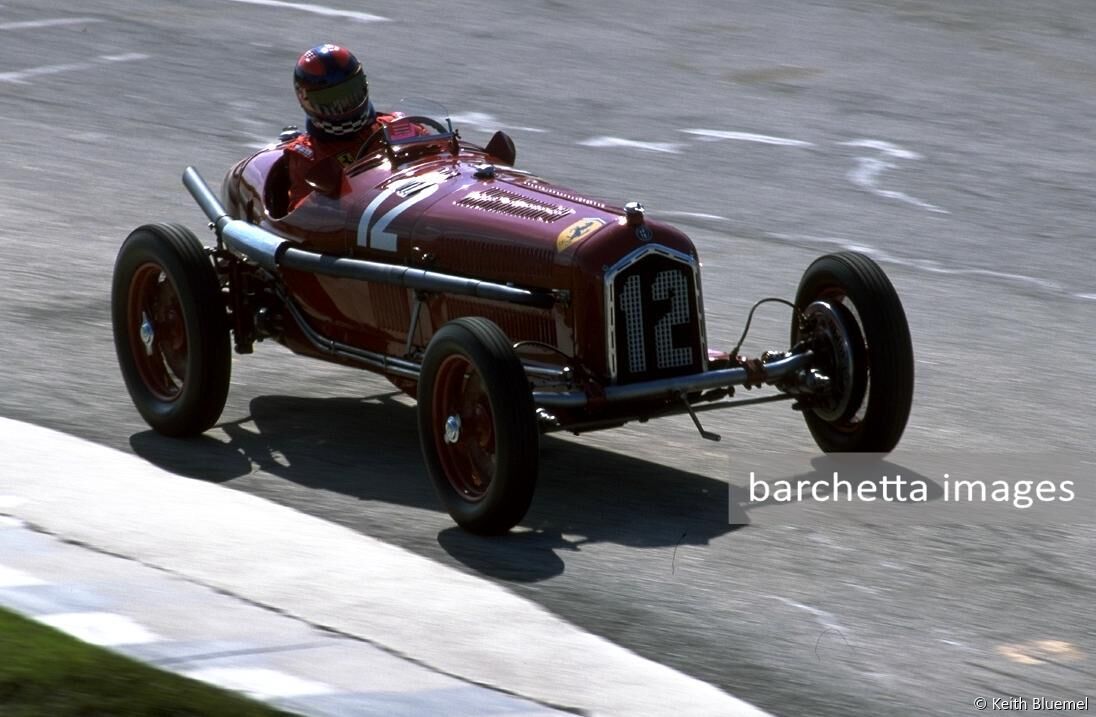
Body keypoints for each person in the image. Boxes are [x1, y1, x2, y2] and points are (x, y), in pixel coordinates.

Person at [283, 43, 394, 209]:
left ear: (363, 84)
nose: (345, 105)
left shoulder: (394, 127)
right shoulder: (307, 157)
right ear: (304, 99)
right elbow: (304, 217)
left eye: (350, 92)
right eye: (330, 99)